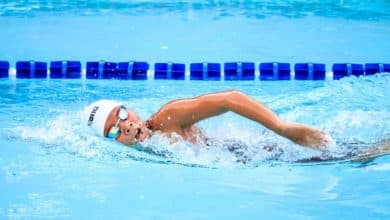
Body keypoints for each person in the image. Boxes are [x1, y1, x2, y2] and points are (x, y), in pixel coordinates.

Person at [84, 90, 333, 150]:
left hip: (257, 153)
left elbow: (230, 99)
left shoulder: (167, 118)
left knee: (346, 154)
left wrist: (284, 128)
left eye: (123, 115)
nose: (125, 126)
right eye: (114, 130)